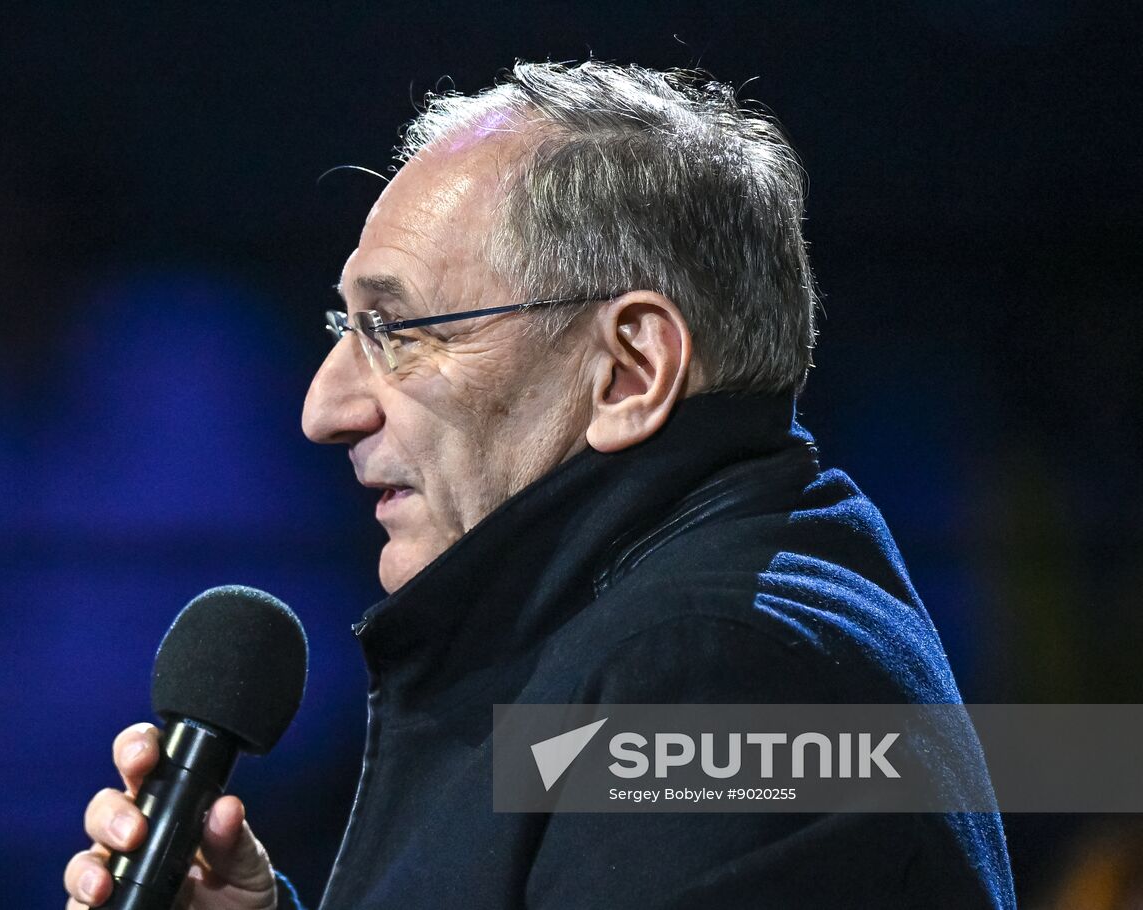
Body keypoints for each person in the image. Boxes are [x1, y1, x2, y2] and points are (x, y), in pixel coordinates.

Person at [64, 60, 1015, 909]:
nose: (325, 407)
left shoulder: (703, 676)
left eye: (398, 331)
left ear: (629, 371)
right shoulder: (669, 616)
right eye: (341, 327)